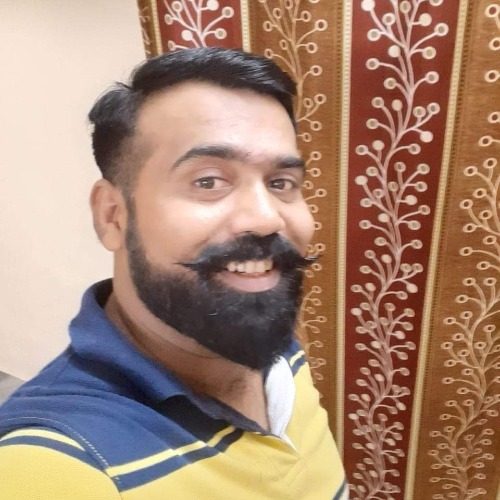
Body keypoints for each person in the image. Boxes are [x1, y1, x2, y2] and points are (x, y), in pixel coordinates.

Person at [0, 47, 347, 499]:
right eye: (208, 181)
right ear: (112, 216)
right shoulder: (54, 466)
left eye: (281, 183)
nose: (267, 219)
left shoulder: (264, 340)